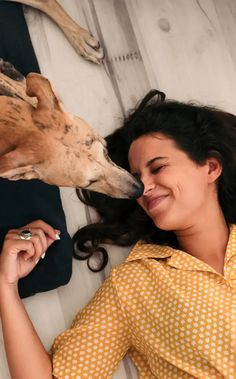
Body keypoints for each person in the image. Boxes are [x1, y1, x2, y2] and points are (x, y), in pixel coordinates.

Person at [0, 90, 235, 379]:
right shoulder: (135, 285)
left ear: (211, 167)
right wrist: (6, 285)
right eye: (137, 179)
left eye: (158, 167)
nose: (143, 188)